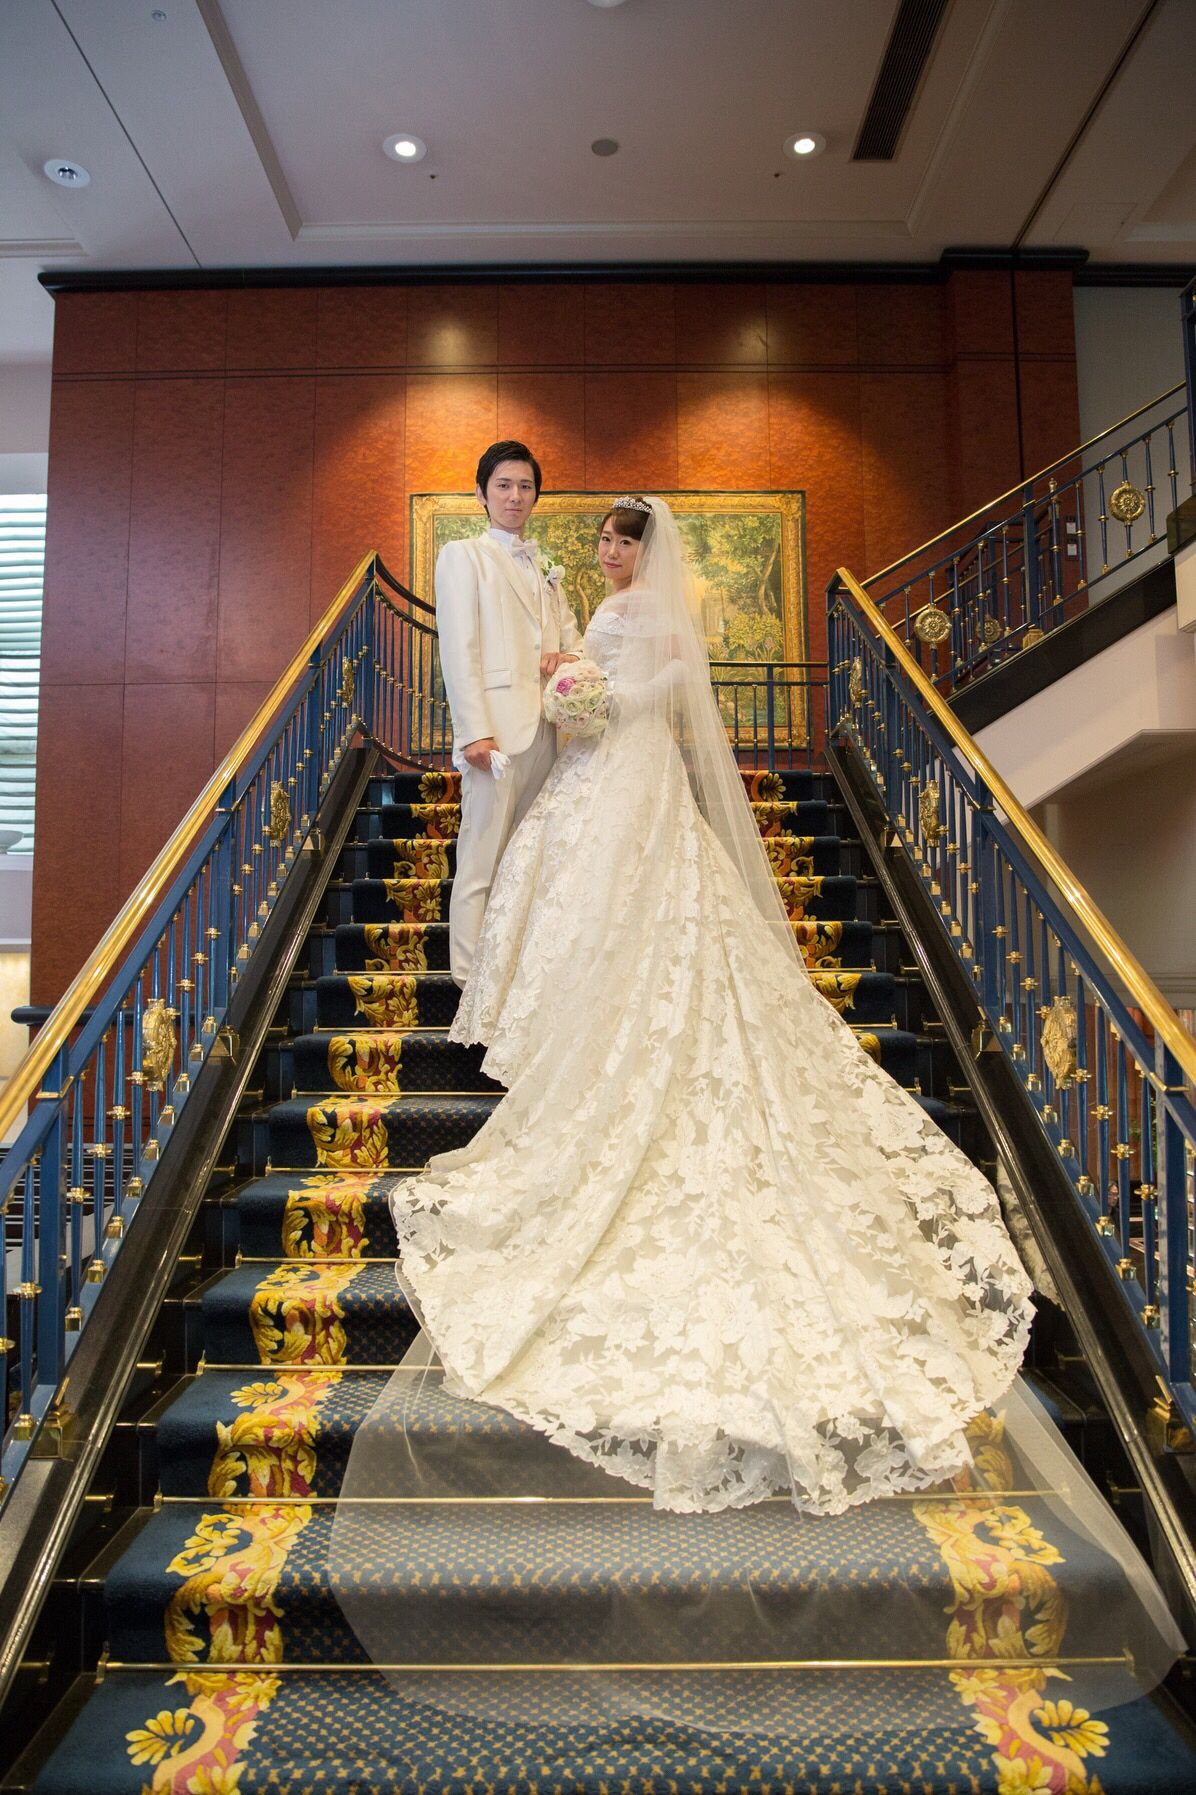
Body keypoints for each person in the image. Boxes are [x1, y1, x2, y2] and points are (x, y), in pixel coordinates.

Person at [387, 495, 1037, 1516]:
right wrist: (579, 687)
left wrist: (592, 696)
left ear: (643, 550)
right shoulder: (619, 610)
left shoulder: (637, 611)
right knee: (600, 888)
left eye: (619, 540)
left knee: (621, 887)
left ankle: (599, 1021)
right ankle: (579, 1016)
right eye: (603, 540)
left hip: (623, 765)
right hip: (612, 766)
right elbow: (623, 680)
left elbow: (651, 685)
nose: (606, 551)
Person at [435, 439, 585, 987]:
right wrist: (474, 732)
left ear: (536, 495)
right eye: (503, 485)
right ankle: (468, 982)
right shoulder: (462, 557)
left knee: (526, 860)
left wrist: (569, 658)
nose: (515, 496)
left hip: (547, 730)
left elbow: (572, 640)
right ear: (481, 494)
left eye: (525, 486)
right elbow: (459, 649)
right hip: (495, 735)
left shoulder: (546, 565)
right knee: (480, 858)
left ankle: (513, 977)